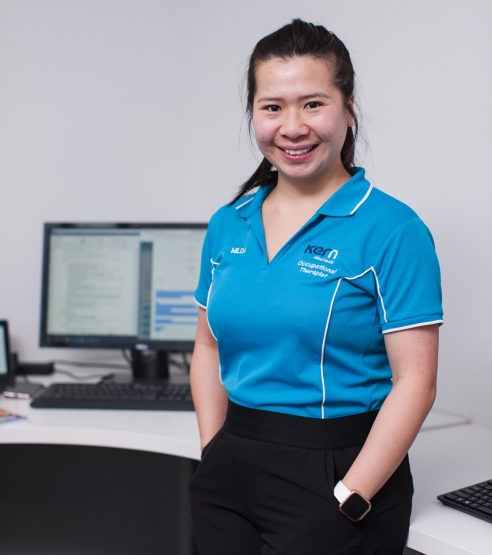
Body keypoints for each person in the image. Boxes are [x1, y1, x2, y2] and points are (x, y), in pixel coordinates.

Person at [189, 18, 443, 555]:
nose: (292, 126)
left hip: (338, 472)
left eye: (312, 103)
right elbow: (207, 346)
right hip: (231, 470)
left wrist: (352, 496)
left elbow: (415, 381)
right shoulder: (227, 223)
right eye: (272, 106)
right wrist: (215, 452)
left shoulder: (393, 229)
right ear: (253, 115)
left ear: (348, 109)